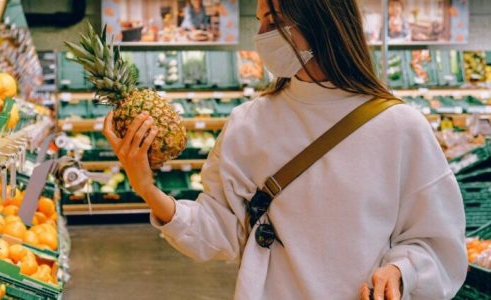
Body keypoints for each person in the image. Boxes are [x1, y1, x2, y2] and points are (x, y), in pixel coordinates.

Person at [102, 0, 468, 299]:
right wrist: (146, 189)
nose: (261, 36)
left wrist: (401, 271)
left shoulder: (399, 127)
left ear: (321, 22)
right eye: (261, 22)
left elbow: (438, 243)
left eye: (273, 22)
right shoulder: (249, 122)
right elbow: (217, 232)